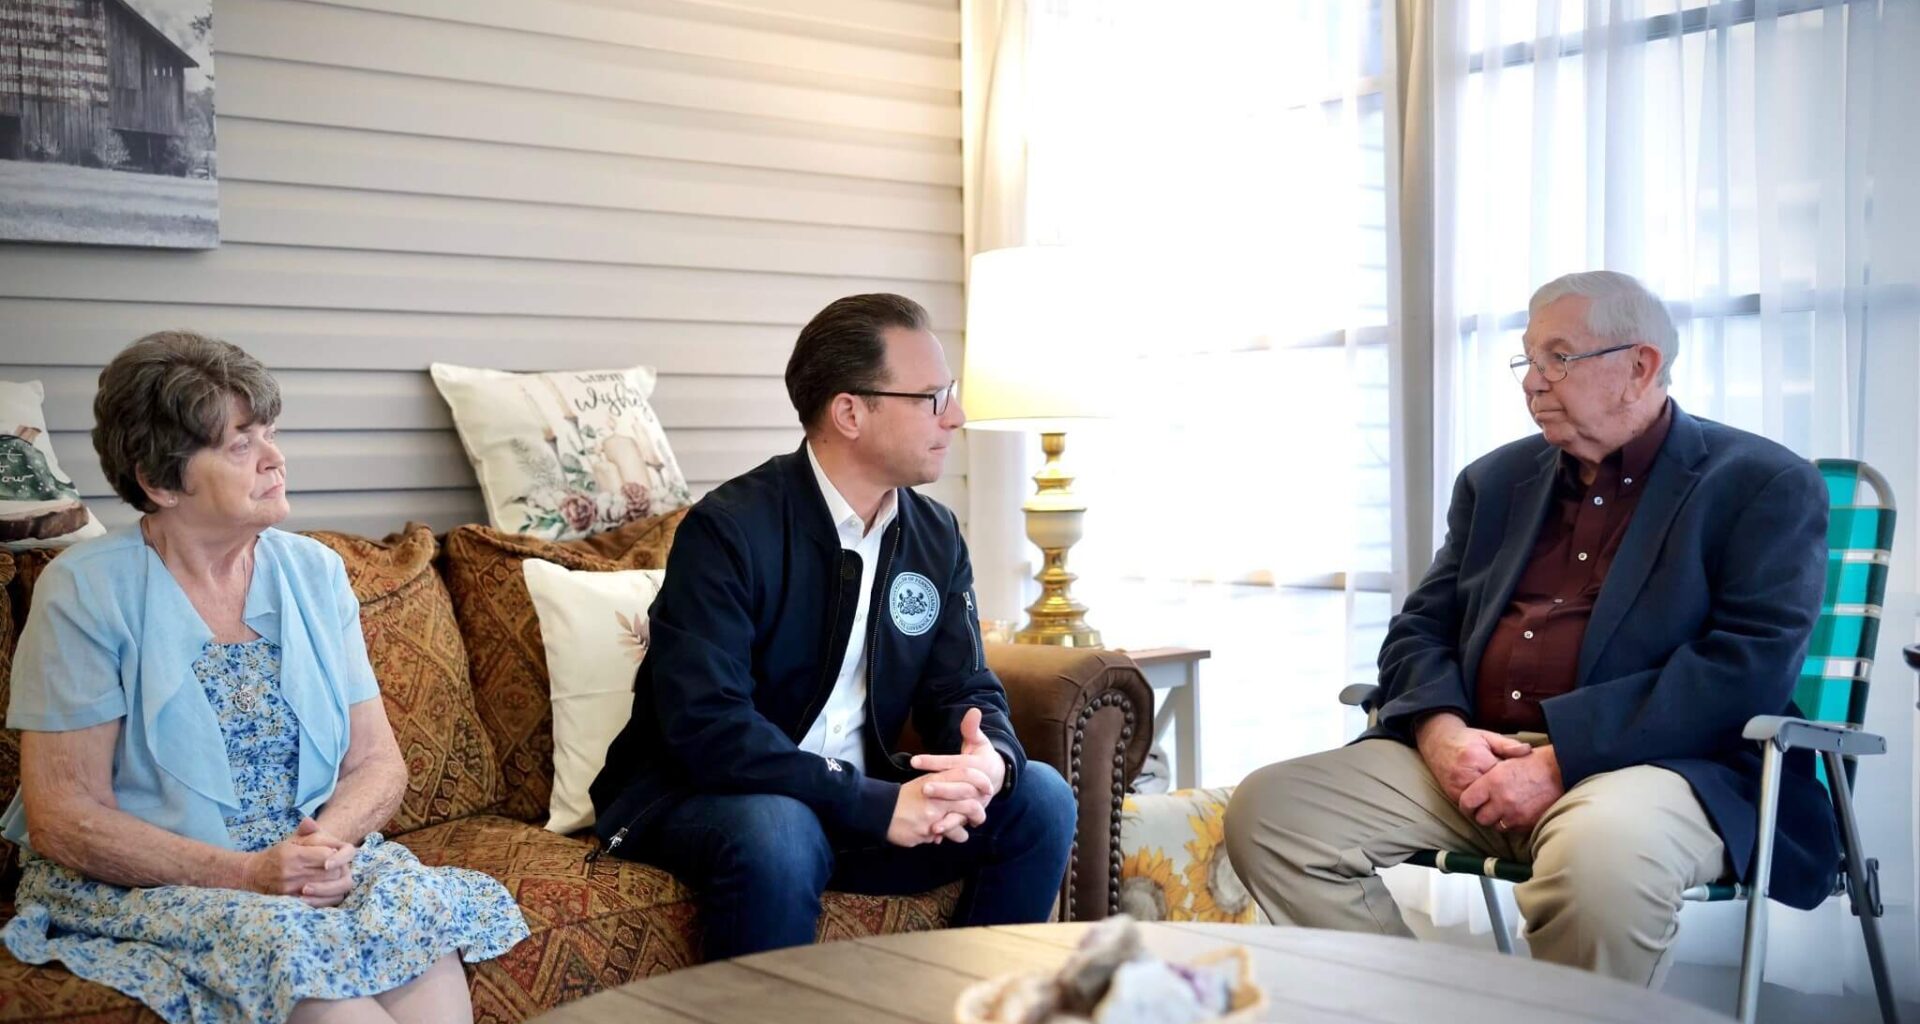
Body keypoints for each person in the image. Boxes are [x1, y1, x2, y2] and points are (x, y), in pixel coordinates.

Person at [1223, 271, 1840, 986]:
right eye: (1527, 360)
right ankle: (1401, 1011)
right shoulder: (1495, 481)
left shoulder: (1761, 484)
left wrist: (1558, 762)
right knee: (1274, 813)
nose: (1533, 382)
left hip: (1661, 767)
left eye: (1559, 357)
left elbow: (1745, 670)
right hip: (1475, 756)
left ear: (1639, 367)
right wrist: (1442, 733)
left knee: (1599, 862)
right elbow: (1420, 629)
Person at [1, 332, 529, 1024]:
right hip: (156, 881)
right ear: (160, 480)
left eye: (270, 433)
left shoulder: (315, 572)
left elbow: (377, 762)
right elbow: (64, 818)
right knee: (295, 954)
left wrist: (325, 847)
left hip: (301, 861)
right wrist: (248, 875)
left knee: (420, 921)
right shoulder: (85, 592)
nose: (275, 460)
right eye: (240, 444)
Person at [590, 293, 1077, 959]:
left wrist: (988, 756)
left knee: (1041, 797)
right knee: (781, 829)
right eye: (932, 397)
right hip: (704, 797)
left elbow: (964, 686)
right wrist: (875, 804)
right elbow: (706, 726)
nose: (956, 416)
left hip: (851, 803)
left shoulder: (934, 536)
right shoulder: (729, 530)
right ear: (850, 411)